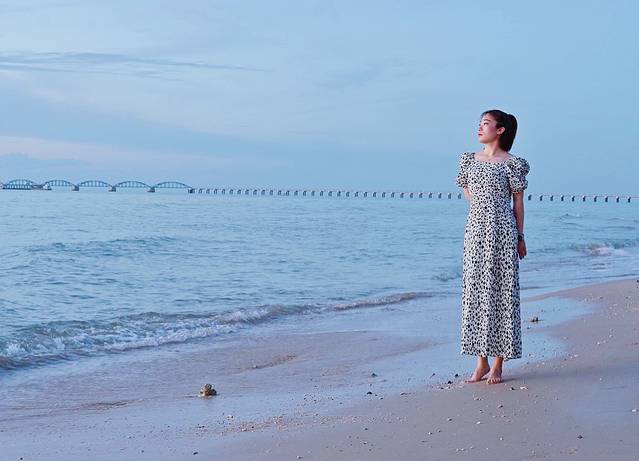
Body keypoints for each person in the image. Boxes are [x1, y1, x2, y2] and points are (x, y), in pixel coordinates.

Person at [455, 109, 530, 385]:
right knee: (475, 292)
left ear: (500, 130)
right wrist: (481, 206)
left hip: (503, 232)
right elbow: (467, 191)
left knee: (502, 292)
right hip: (475, 232)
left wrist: (520, 237)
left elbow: (518, 203)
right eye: (479, 123)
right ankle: (481, 362)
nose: (479, 127)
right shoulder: (468, 160)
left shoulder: (513, 164)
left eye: (485, 123)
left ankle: (498, 364)